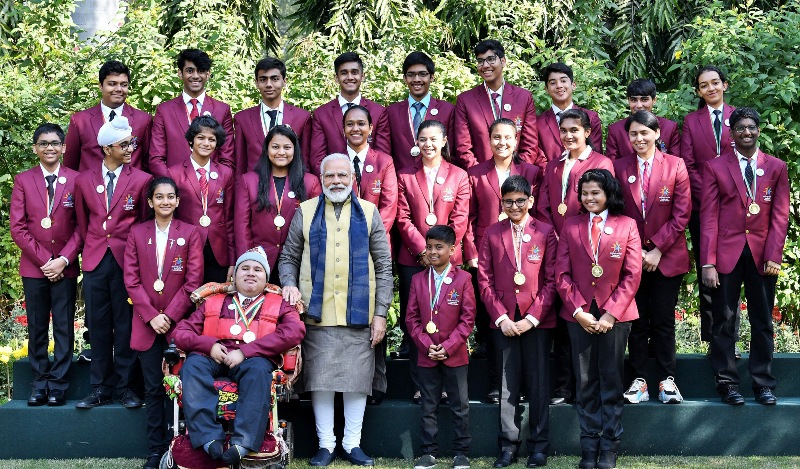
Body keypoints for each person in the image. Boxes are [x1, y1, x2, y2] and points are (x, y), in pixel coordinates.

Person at [278, 153, 393, 467]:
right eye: (330, 176)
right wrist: (288, 284)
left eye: (343, 176)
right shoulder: (305, 210)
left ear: (352, 179)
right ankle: (326, 445)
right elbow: (288, 257)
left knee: (357, 382)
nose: (337, 181)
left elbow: (384, 266)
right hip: (317, 314)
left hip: (360, 314)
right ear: (321, 178)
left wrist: (381, 313)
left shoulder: (370, 213)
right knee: (321, 381)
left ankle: (352, 444)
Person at [174, 249, 306, 466]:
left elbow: (294, 332)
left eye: (257, 269)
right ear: (234, 276)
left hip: (253, 358)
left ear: (266, 277)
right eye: (244, 268)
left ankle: (243, 442)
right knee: (193, 365)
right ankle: (208, 438)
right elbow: (180, 333)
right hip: (214, 356)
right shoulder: (214, 301)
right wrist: (209, 345)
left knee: (257, 371)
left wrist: (246, 351)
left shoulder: (280, 302)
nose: (250, 273)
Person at [700, 107, 789, 406]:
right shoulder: (715, 167)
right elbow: (708, 216)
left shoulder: (776, 167)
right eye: (740, 128)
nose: (746, 132)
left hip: (762, 255)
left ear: (758, 130)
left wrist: (774, 254)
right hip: (726, 254)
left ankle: (763, 384)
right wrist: (708, 262)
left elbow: (779, 216)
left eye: (751, 127)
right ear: (732, 133)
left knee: (762, 319)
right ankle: (727, 383)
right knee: (724, 320)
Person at [555, 169, 641, 469]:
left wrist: (610, 314)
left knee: (611, 381)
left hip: (615, 317)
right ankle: (588, 448)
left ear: (609, 194)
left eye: (595, 192)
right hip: (579, 315)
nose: (589, 198)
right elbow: (561, 274)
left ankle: (609, 448)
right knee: (586, 383)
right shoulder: (571, 225)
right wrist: (578, 311)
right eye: (585, 193)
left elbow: (632, 275)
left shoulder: (627, 225)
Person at [124, 177, 204, 469]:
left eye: (171, 197)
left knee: (187, 386)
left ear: (178, 201)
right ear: (150, 202)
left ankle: (189, 446)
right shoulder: (136, 232)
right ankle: (156, 450)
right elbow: (131, 280)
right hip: (146, 324)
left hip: (179, 323)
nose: (166, 202)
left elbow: (193, 282)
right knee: (154, 389)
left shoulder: (191, 233)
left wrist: (168, 316)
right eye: (159, 197)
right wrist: (152, 315)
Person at [477, 175, 557, 468]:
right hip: (504, 321)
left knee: (538, 385)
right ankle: (508, 446)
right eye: (508, 201)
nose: (514, 205)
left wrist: (534, 317)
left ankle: (538, 446)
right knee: (507, 386)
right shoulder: (492, 233)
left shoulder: (546, 232)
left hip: (537, 321)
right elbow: (483, 280)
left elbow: (552, 280)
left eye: (520, 201)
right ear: (502, 201)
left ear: (530, 201)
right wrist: (500, 318)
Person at [74, 116, 152, 409]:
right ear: (107, 148)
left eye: (131, 142)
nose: (131, 147)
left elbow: (144, 223)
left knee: (125, 325)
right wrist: (88, 250)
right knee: (98, 324)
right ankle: (99, 388)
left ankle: (126, 388)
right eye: (124, 144)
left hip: (126, 261)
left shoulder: (142, 180)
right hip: (94, 260)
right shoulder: (84, 180)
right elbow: (83, 222)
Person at [536, 108, 613, 406]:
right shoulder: (554, 165)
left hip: (586, 248)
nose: (569, 136)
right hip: (556, 245)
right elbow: (543, 204)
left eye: (574, 130)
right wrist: (556, 238)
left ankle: (588, 389)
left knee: (583, 312)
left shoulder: (601, 163)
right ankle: (563, 386)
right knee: (561, 317)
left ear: (587, 132)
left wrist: (572, 237)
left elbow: (602, 205)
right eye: (564, 131)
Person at [613, 111, 691, 404]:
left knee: (663, 321)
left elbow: (681, 214)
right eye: (633, 134)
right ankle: (639, 380)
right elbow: (617, 214)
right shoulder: (619, 167)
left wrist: (657, 249)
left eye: (644, 133)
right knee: (637, 320)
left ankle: (667, 380)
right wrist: (638, 253)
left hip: (667, 258)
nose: (639, 139)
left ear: (657, 133)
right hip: (631, 260)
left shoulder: (675, 166)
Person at [464, 118, 541, 404]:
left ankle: (524, 384)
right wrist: (471, 253)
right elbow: (468, 218)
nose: (502, 143)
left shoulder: (532, 172)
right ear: (489, 139)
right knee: (492, 324)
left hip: (523, 255)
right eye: (496, 137)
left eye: (507, 137)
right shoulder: (475, 173)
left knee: (523, 317)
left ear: (517, 139)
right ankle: (497, 384)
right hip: (488, 256)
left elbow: (538, 214)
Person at [396, 120, 470, 404]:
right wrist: (424, 251)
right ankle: (421, 384)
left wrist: (442, 252)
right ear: (416, 142)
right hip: (414, 260)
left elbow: (460, 218)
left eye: (433, 139)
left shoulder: (459, 176)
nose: (428, 144)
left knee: (449, 321)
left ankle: (448, 384)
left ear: (443, 141)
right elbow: (402, 218)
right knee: (416, 321)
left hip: (450, 262)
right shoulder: (405, 175)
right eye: (423, 139)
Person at [10, 123, 80, 407]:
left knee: (64, 326)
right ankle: (40, 383)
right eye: (43, 143)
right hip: (34, 268)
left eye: (55, 143)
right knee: (37, 327)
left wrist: (63, 260)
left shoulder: (76, 179)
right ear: (35, 148)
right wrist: (45, 261)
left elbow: (81, 227)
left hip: (65, 266)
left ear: (63, 147)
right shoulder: (23, 180)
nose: (49, 147)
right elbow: (18, 227)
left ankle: (59, 385)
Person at [406, 225, 475, 469]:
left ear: (452, 250)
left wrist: (448, 346)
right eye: (429, 247)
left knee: (459, 405)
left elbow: (468, 320)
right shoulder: (417, 280)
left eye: (439, 247)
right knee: (428, 404)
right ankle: (429, 452)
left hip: (454, 355)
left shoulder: (464, 279)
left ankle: (461, 452)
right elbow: (411, 319)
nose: (433, 252)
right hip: (427, 355)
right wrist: (427, 346)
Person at [342, 104, 397, 405]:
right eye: (350, 124)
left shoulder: (384, 161)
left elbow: (390, 206)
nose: (356, 129)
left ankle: (376, 383)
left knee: (376, 310)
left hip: (375, 248)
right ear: (343, 129)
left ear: (371, 127)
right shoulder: (335, 162)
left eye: (361, 123)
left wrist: (367, 237)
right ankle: (346, 380)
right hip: (338, 248)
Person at [680, 65, 736, 348]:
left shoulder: (737, 117)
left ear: (725, 85)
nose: (710, 88)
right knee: (707, 270)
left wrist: (728, 194)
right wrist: (711, 195)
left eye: (715, 83)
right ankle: (711, 338)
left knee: (731, 273)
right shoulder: (691, 121)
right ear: (699, 91)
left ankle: (730, 338)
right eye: (704, 85)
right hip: (703, 208)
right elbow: (688, 165)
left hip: (735, 209)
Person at [235, 125, 321, 283]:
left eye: (287, 147)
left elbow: (316, 227)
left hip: (298, 261)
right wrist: (246, 260)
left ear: (295, 150)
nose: (281, 152)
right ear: (267, 150)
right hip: (259, 260)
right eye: (275, 147)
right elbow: (242, 225)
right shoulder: (249, 181)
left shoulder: (310, 182)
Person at [168, 115, 235, 284]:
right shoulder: (174, 173)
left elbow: (230, 218)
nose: (206, 143)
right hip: (185, 247)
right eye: (201, 138)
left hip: (218, 251)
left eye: (212, 139)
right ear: (191, 140)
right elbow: (170, 217)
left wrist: (233, 260)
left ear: (217, 144)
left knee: (214, 304)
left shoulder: (225, 173)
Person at [454, 39, 540, 169]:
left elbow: (530, 145)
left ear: (503, 61)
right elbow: (463, 147)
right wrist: (480, 176)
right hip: (481, 177)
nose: (486, 65)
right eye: (480, 61)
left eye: (491, 59)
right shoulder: (465, 100)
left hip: (517, 179)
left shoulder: (523, 97)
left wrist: (517, 173)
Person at [150, 48, 234, 177]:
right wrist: (172, 185)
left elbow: (227, 157)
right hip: (174, 190)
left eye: (200, 71)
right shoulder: (164, 110)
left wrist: (217, 184)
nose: (195, 76)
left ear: (208, 74)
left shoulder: (222, 110)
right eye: (190, 71)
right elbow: (156, 158)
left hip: (212, 189)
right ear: (180, 73)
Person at [372, 51, 456, 171]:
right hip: (400, 181)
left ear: (432, 77)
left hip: (438, 180)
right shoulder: (391, 112)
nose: (416, 79)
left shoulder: (447, 110)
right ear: (404, 78)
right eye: (411, 75)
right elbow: (384, 153)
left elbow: (452, 150)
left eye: (422, 74)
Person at [63, 60, 152, 172]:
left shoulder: (143, 119)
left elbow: (147, 162)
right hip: (89, 187)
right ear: (101, 86)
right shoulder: (80, 120)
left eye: (124, 85)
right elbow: (70, 165)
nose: (119, 89)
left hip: (131, 187)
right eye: (112, 84)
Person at [233, 57, 313, 176]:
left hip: (290, 188)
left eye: (274, 79)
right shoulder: (242, 118)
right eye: (263, 79)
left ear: (284, 81)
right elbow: (240, 164)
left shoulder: (302, 117)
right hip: (254, 187)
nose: (269, 84)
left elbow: (304, 161)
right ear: (256, 82)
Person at [309, 52, 385, 176]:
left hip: (370, 186)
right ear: (336, 77)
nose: (350, 77)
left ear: (362, 76)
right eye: (344, 73)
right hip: (334, 187)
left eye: (354, 72)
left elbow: (382, 155)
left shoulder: (378, 112)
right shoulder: (321, 114)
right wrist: (338, 182)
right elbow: (318, 161)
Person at [535, 62, 603, 167]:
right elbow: (539, 159)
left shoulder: (591, 117)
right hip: (550, 179)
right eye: (553, 83)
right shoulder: (538, 123)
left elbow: (595, 155)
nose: (559, 86)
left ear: (573, 85)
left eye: (563, 81)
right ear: (546, 89)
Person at [605, 79, 681, 161]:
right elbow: (612, 166)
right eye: (634, 100)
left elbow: (675, 162)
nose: (639, 105)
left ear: (654, 100)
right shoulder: (616, 130)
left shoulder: (669, 127)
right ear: (628, 100)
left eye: (644, 100)